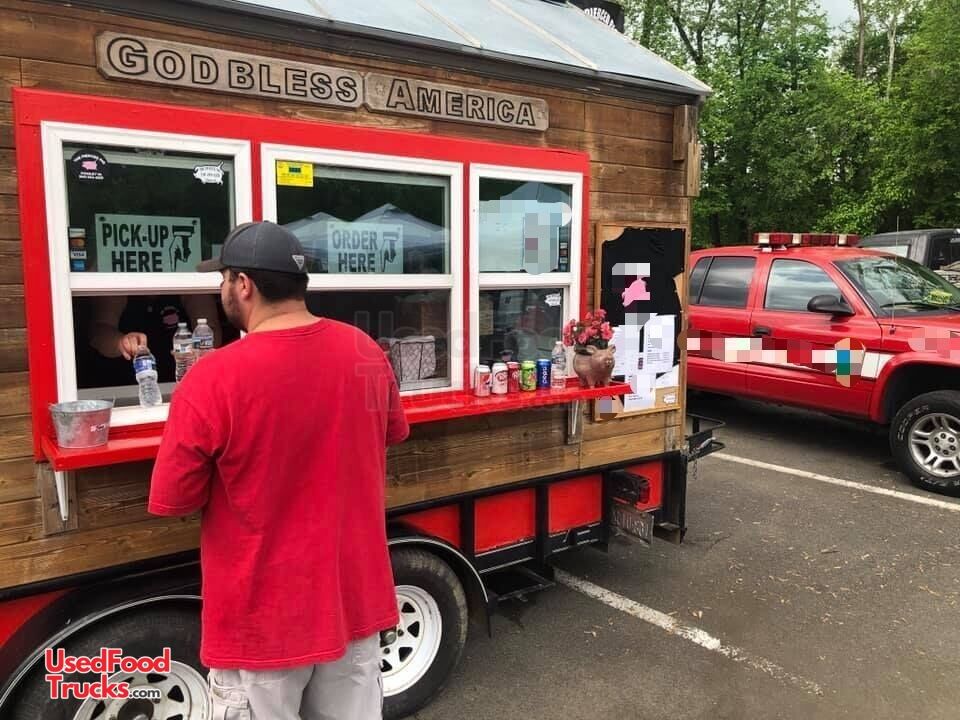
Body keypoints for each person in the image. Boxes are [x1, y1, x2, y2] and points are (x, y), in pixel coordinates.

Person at [148, 221, 409, 720]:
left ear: (243, 284)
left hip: (261, 624)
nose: (222, 290)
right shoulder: (364, 351)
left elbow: (174, 499)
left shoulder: (211, 378)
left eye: (223, 279)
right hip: (353, 605)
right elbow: (388, 434)